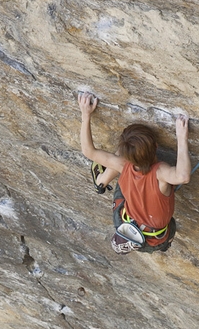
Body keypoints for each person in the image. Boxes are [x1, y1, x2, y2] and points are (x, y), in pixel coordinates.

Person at [78, 92, 191, 253]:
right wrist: (181, 137)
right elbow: (182, 176)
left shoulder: (124, 165)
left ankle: (101, 180)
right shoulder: (160, 173)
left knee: (119, 161)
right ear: (156, 147)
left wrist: (85, 114)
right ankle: (101, 180)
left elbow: (88, 151)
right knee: (167, 227)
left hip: (126, 220)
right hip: (148, 235)